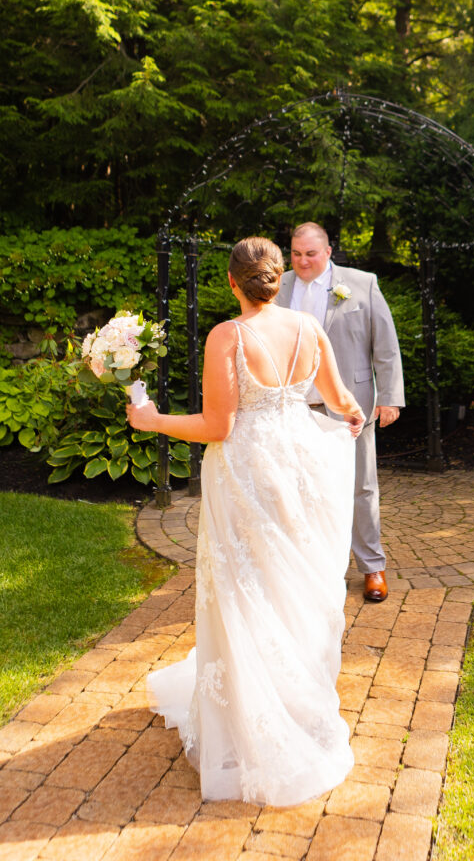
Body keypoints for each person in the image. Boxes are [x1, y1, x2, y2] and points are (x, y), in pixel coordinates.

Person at [126, 236, 365, 806]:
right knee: (289, 587)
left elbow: (217, 426)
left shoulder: (228, 336)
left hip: (246, 476)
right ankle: (293, 704)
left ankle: (254, 724)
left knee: (244, 589)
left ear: (232, 282)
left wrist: (153, 419)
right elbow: (337, 398)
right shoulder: (309, 328)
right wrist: (354, 412)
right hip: (299, 467)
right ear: (278, 280)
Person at [276, 222, 405, 604]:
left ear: (328, 252)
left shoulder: (361, 283)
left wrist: (390, 397)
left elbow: (386, 344)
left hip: (350, 405)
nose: (302, 261)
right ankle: (311, 568)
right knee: (299, 485)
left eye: (310, 254)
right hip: (294, 405)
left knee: (360, 487)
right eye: (296, 254)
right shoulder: (278, 286)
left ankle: (372, 567)